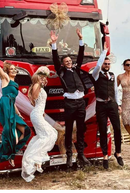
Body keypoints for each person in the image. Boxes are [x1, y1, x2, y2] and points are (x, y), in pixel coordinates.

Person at [0, 40, 31, 179]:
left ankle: (11, 154)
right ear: (7, 71)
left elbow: (13, 99)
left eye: (15, 69)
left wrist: (18, 112)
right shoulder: (5, 78)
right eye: (12, 69)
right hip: (4, 107)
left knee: (25, 131)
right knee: (9, 136)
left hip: (11, 106)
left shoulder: (14, 83)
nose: (14, 70)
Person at [50, 29, 91, 169]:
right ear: (63, 64)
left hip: (80, 103)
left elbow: (80, 56)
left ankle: (81, 154)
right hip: (70, 103)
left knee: (80, 129)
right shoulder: (61, 71)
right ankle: (68, 156)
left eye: (70, 61)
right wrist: (54, 45)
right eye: (66, 61)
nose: (69, 62)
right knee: (68, 130)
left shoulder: (76, 68)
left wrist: (80, 39)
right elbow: (55, 59)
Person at [22, 67, 58, 182]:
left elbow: (38, 102)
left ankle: (37, 160)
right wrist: (39, 83)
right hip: (36, 114)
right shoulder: (36, 86)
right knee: (47, 135)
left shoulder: (39, 86)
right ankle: (33, 159)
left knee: (50, 134)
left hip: (39, 114)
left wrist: (42, 112)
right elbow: (35, 97)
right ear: (38, 77)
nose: (44, 79)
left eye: (44, 77)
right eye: (42, 77)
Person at [91, 44, 124, 169]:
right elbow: (98, 65)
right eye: (105, 64)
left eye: (108, 64)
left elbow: (115, 91)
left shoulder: (113, 76)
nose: (107, 65)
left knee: (117, 129)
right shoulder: (96, 74)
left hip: (112, 104)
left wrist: (118, 104)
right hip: (101, 105)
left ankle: (118, 153)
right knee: (103, 130)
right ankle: (105, 155)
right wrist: (104, 51)